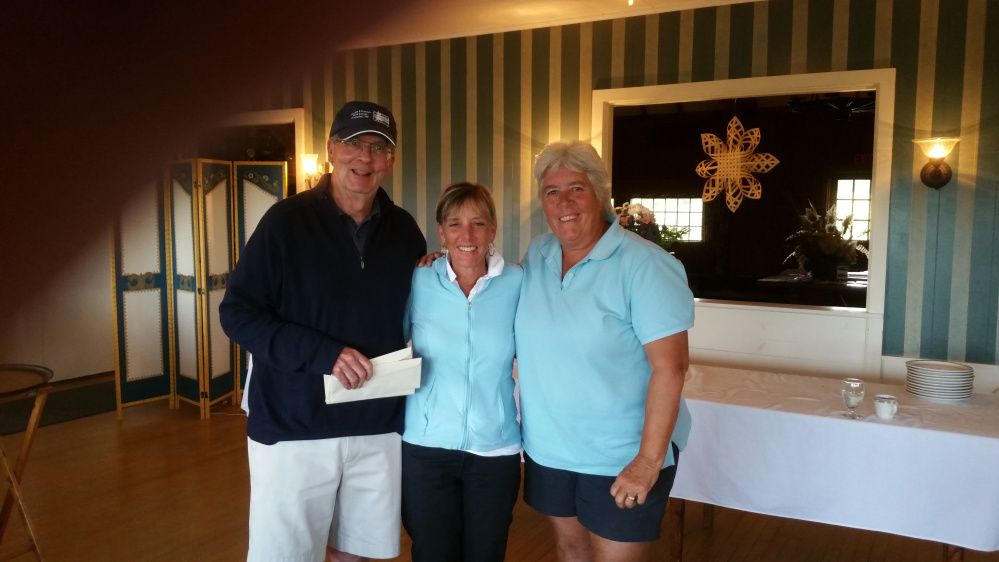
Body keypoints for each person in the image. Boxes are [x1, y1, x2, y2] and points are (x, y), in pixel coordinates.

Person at [219, 100, 427, 562]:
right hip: (294, 425)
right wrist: (323, 354)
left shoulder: (405, 231)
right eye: (354, 144)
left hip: (377, 424)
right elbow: (238, 312)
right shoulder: (285, 223)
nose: (365, 158)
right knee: (287, 555)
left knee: (360, 553)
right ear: (332, 149)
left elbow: (418, 309)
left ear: (390, 161)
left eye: (378, 148)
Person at [514, 140, 695, 561]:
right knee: (570, 547)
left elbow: (671, 368)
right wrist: (442, 264)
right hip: (549, 448)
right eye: (552, 191)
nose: (564, 202)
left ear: (600, 194)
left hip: (621, 454)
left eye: (575, 188)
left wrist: (648, 462)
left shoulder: (645, 265)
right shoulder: (538, 254)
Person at [401, 182, 523, 562]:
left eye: (478, 223)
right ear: (440, 231)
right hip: (425, 447)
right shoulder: (418, 279)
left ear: (493, 228)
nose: (466, 236)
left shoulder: (520, 282)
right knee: (432, 553)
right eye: (454, 224)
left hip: (496, 449)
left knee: (485, 555)